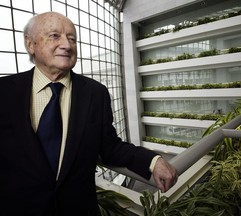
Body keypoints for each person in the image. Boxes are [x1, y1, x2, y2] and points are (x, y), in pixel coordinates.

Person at [0, 12, 177, 216]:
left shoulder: (96, 93)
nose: (67, 45)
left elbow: (110, 147)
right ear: (30, 44)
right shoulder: (4, 92)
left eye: (72, 39)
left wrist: (153, 161)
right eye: (54, 36)